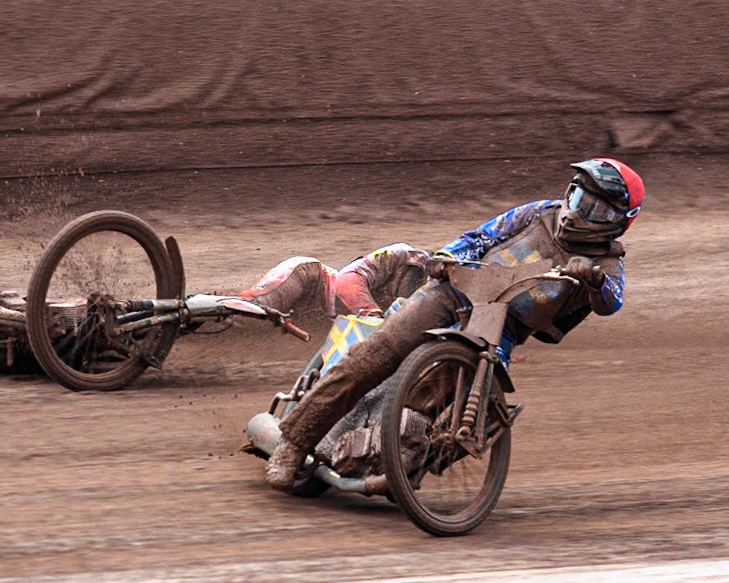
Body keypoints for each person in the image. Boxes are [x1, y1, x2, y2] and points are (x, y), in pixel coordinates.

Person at [265, 158, 644, 492]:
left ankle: (391, 464)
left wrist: (593, 280)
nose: (580, 212)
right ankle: (294, 442)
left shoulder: (608, 265)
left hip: (501, 331)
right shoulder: (539, 213)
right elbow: (481, 237)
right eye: (580, 198)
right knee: (375, 354)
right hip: (455, 292)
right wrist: (447, 256)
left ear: (617, 224)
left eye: (597, 209)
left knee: (435, 406)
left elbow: (612, 301)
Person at [236, 243, 432, 319]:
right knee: (252, 308)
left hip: (315, 318)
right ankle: (215, 307)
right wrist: (372, 315)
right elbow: (345, 282)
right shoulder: (402, 255)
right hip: (308, 278)